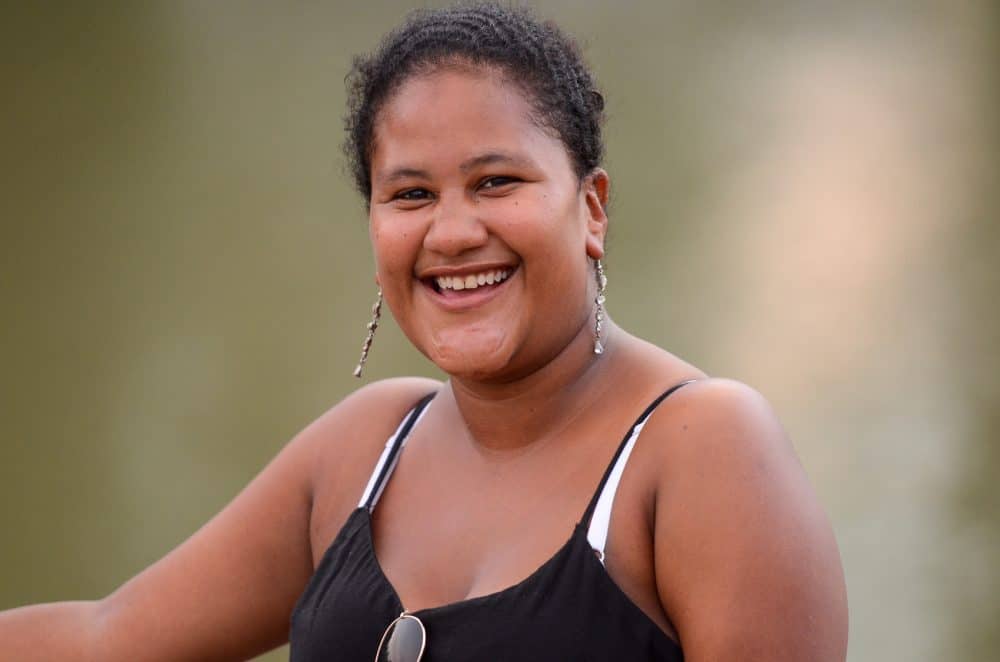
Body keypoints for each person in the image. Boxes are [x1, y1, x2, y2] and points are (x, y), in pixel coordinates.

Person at [0, 3, 848, 660]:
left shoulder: (702, 450)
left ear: (591, 209)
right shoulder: (366, 450)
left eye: (496, 181)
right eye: (410, 196)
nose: (450, 233)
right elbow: (108, 638)